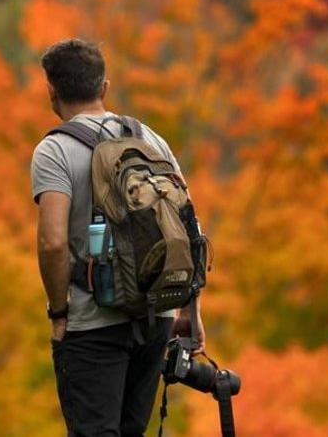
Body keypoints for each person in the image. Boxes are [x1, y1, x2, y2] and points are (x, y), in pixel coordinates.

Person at [30, 38, 205, 437]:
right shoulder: (150, 139)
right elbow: (188, 228)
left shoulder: (55, 149)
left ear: (51, 90)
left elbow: (52, 243)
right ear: (104, 87)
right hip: (154, 316)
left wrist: (60, 314)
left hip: (92, 324)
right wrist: (188, 311)